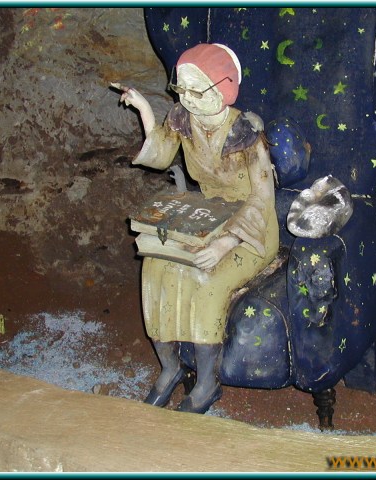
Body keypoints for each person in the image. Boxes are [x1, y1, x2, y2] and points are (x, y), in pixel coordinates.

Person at [119, 43, 279, 414]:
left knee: (206, 278)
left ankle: (207, 383)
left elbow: (262, 199)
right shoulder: (183, 118)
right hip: (209, 217)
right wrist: (144, 109)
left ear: (225, 87)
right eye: (183, 89)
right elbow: (161, 154)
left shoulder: (247, 133)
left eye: (197, 90)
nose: (188, 98)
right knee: (156, 267)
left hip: (250, 229)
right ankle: (170, 368)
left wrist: (225, 244)